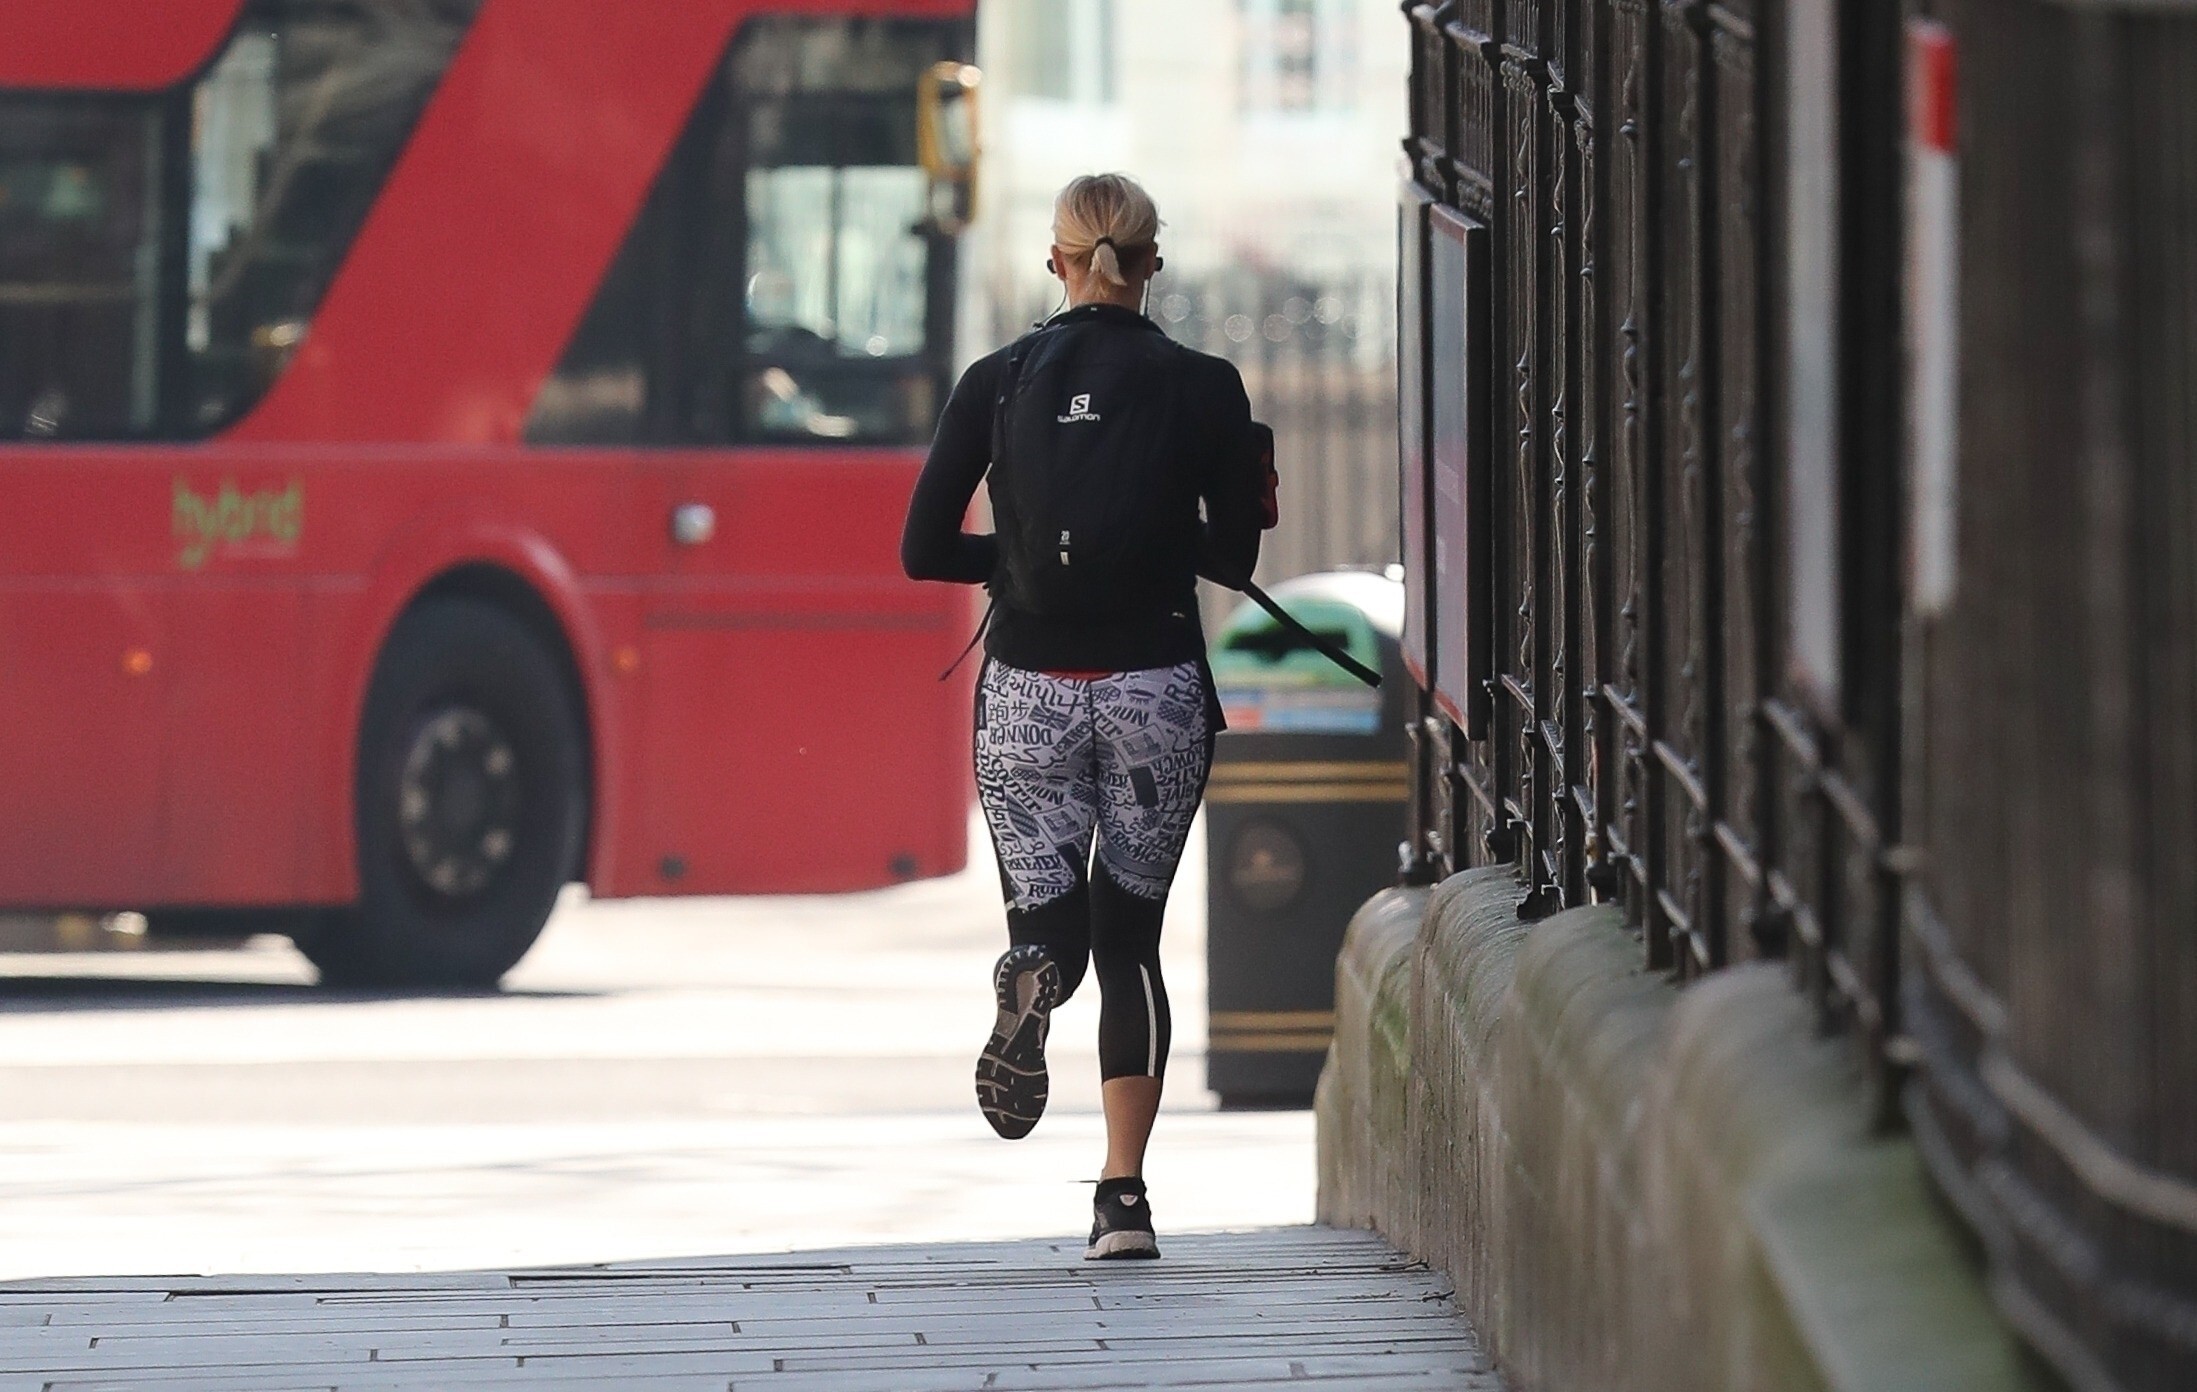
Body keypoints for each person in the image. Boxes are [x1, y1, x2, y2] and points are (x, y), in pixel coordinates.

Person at [901, 173, 1264, 1260]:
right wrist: (1156, 539)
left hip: (1028, 691)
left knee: (1052, 924)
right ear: (1152, 264)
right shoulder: (1204, 385)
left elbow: (922, 550)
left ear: (1054, 262)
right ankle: (1122, 1200)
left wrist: (1017, 561)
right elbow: (1233, 559)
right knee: (1132, 942)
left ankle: (1034, 975)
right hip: (1154, 685)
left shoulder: (995, 380)